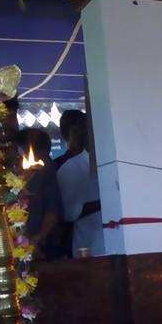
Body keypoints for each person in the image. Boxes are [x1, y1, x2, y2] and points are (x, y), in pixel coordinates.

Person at [55, 110, 104, 258]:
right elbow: (67, 212)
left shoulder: (107, 160)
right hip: (88, 244)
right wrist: (106, 202)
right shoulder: (68, 168)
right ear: (74, 134)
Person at [19, 128, 65, 260]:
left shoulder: (47, 170)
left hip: (40, 250)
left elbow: (53, 208)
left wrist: (36, 239)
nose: (40, 164)